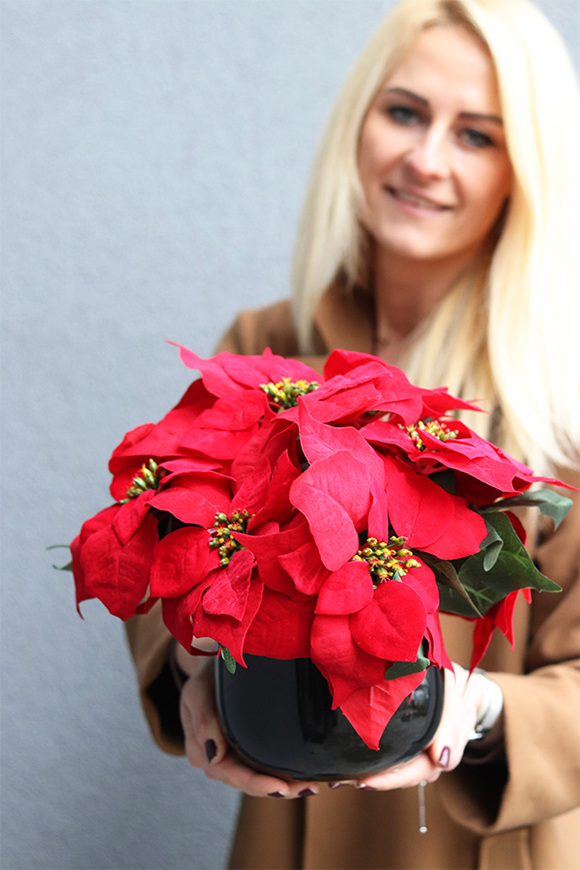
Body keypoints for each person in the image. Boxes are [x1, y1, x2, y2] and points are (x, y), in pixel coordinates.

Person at [125, 0, 580, 867]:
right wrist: (194, 675)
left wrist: (474, 708)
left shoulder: (563, 396)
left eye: (477, 135)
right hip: (284, 833)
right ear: (359, 123)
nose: (425, 157)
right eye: (405, 112)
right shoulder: (266, 343)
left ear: (525, 170)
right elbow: (167, 564)